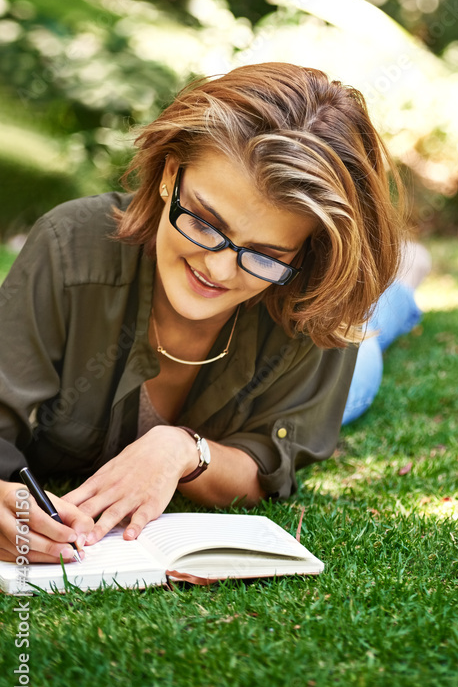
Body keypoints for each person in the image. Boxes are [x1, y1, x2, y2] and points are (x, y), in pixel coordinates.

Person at [0, 63, 424, 566]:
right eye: (204, 220)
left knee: (368, 335)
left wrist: (184, 450)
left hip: (340, 360)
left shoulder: (317, 301)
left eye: (266, 253)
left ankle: (403, 284)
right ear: (169, 174)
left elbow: (269, 463)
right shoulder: (68, 245)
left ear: (305, 254)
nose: (219, 270)